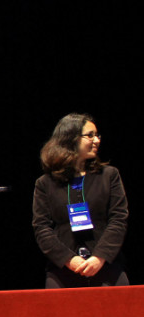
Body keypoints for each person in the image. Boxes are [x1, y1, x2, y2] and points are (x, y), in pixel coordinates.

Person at [32, 113, 129, 288]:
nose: (97, 140)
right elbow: (42, 228)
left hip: (106, 266)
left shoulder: (109, 175)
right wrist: (69, 259)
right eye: (90, 135)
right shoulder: (45, 183)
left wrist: (99, 257)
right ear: (71, 138)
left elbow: (118, 219)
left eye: (97, 135)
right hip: (63, 270)